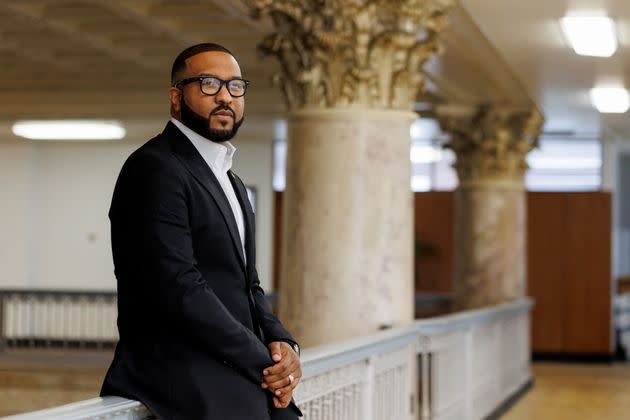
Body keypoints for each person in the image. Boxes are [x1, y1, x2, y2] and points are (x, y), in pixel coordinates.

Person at [100, 43, 302, 420]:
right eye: (209, 84)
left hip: (236, 368)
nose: (225, 96)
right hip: (183, 375)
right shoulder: (155, 168)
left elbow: (248, 283)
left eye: (235, 86)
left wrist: (282, 343)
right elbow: (178, 286)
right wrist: (265, 361)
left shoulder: (232, 181)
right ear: (177, 97)